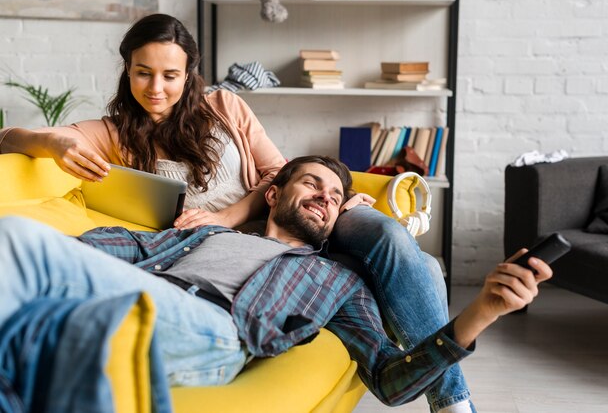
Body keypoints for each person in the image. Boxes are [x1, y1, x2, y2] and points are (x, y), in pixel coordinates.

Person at [0, 13, 467, 411]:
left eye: (170, 75)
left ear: (189, 74)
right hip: (224, 251)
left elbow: (278, 172)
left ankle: (451, 401)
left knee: (391, 242)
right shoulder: (116, 133)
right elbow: (8, 139)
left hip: (280, 215)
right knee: (418, 267)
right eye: (143, 73)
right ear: (127, 71)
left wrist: (229, 218)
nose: (156, 88)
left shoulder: (224, 106)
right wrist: (52, 140)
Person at [0, 155, 553, 409]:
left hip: (213, 329)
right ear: (273, 194)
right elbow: (110, 245)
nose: (324, 197)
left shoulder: (334, 278)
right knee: (20, 248)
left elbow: (388, 380)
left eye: (335, 197)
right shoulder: (201, 235)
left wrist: (482, 310)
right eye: (311, 184)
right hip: (133, 294)